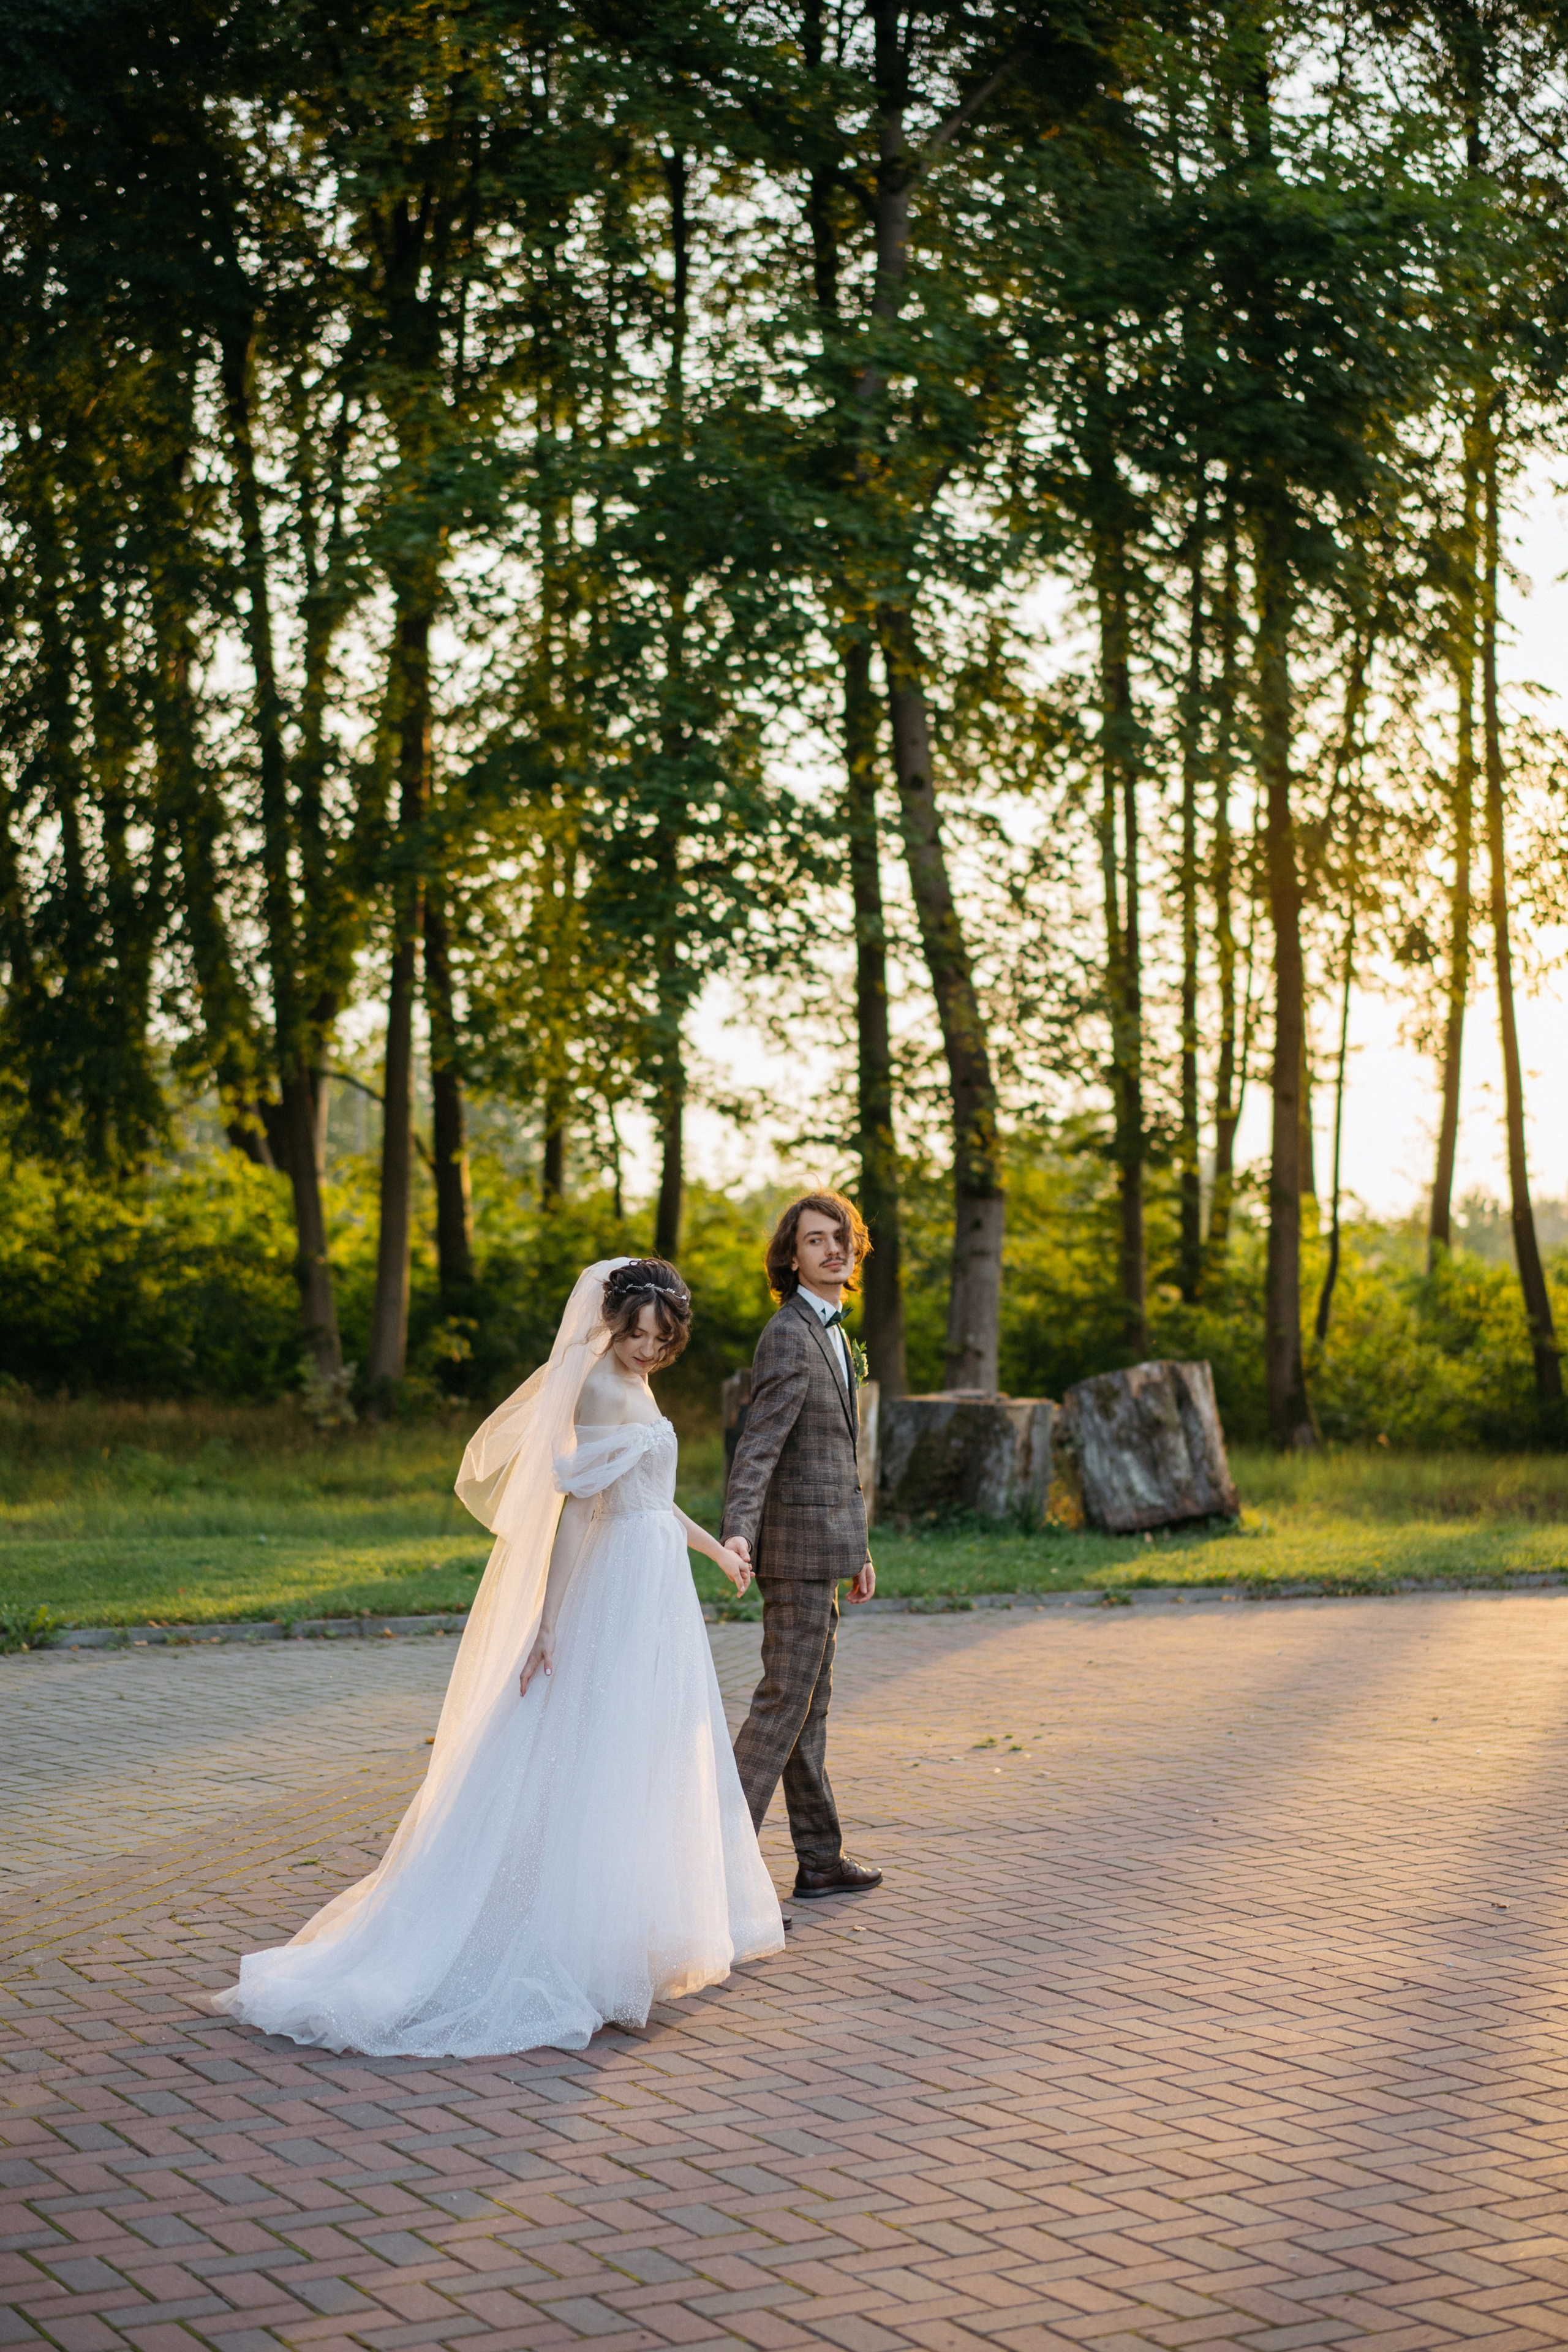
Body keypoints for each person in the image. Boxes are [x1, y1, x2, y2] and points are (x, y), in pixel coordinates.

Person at [208, 1259, 784, 2057]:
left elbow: (646, 1492)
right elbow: (578, 1515)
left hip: (654, 1582)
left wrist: (715, 1552)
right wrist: (549, 1624)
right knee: (595, 1750)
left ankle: (629, 1932)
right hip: (612, 1586)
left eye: (660, 1336)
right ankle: (582, 1947)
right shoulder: (594, 1386)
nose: (646, 1348)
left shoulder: (639, 1387)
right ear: (610, 1324)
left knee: (641, 1751)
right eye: (633, 1332)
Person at [723, 1191, 883, 1902]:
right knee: (782, 1706)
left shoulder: (835, 1332)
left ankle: (819, 1859)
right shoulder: (789, 1333)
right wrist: (738, 1531)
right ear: (791, 1258)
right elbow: (759, 1445)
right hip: (791, 1555)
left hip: (828, 1548)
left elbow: (833, 1455)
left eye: (841, 1237)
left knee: (806, 1711)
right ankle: (713, 1870)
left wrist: (859, 1549)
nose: (833, 1248)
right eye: (816, 1240)